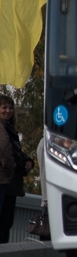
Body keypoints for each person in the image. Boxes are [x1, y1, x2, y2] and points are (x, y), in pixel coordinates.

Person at [0, 94, 34, 244]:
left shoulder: (10, 129)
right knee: (3, 223)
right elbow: (7, 152)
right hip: (4, 180)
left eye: (10, 108)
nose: (8, 111)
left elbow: (15, 151)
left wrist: (27, 160)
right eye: (4, 107)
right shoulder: (2, 128)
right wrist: (11, 165)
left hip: (10, 182)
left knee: (6, 223)